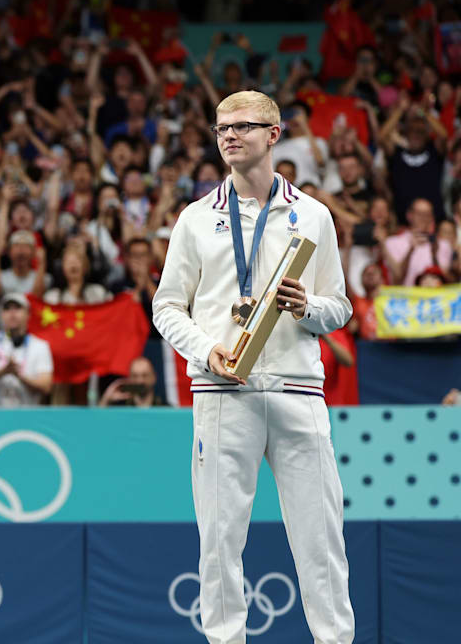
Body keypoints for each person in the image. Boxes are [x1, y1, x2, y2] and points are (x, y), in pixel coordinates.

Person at [152, 90, 355, 643]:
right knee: (219, 542)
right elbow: (165, 306)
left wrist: (306, 307)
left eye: (242, 126)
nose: (229, 136)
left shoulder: (314, 215)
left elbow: (340, 306)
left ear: (275, 133)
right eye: (221, 128)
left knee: (321, 540)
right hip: (222, 390)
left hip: (298, 392)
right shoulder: (195, 219)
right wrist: (204, 350)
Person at [0, 293, 54, 406]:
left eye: (17, 308)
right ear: (1, 314)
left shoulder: (40, 346)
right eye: (7, 309)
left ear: (28, 314)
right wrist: (3, 371)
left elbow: (46, 386)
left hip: (26, 414)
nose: (12, 313)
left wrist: (19, 376)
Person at [99, 356, 167, 407]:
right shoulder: (121, 408)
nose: (140, 381)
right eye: (135, 376)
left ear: (154, 377)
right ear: (129, 378)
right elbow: (97, 422)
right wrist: (106, 399)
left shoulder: (166, 409)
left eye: (145, 375)